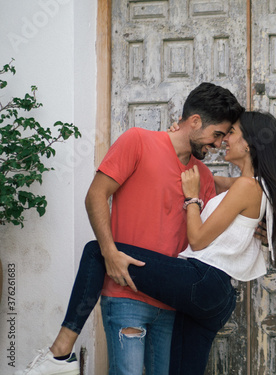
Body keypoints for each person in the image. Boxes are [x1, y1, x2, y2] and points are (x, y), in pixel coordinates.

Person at [15, 82, 245, 375]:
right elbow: (95, 195)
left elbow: (222, 214)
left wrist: (257, 220)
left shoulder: (202, 176)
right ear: (195, 121)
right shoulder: (138, 141)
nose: (217, 145)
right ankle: (58, 356)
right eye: (216, 135)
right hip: (126, 295)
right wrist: (109, 253)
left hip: (171, 305)